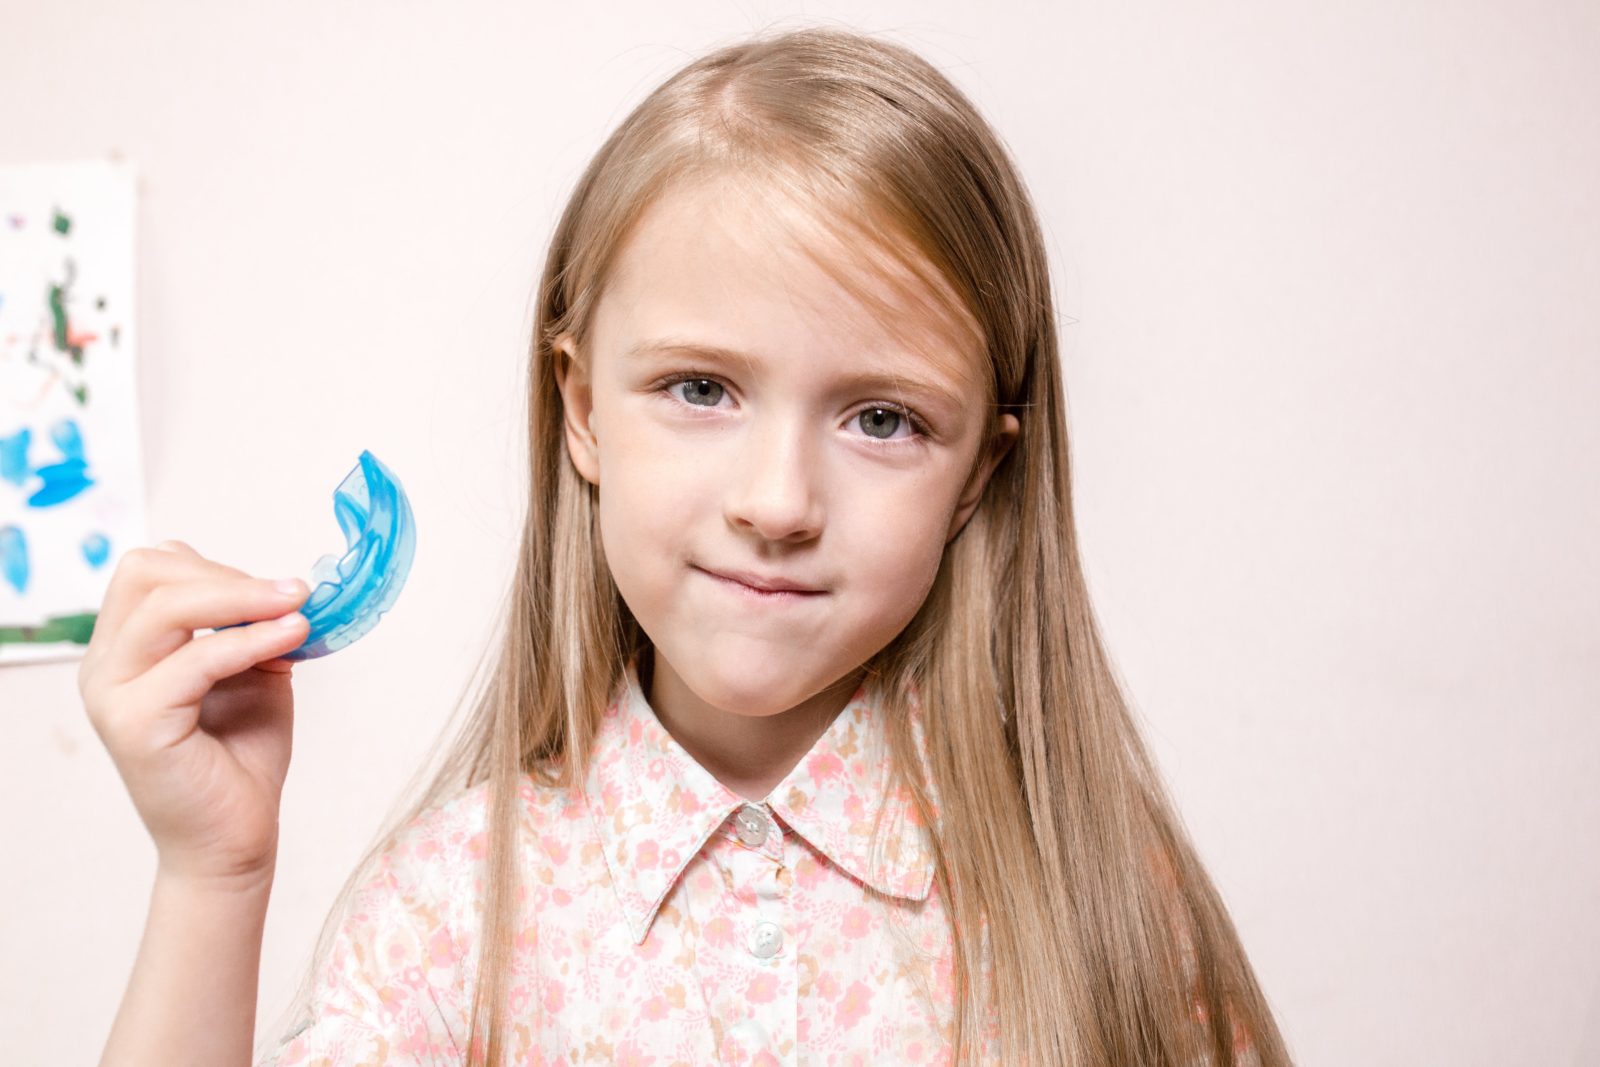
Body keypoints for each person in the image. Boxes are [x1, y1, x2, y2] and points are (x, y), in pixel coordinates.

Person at [83, 25, 1294, 1067]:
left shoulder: (1091, 895)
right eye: (702, 388)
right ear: (582, 408)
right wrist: (213, 877)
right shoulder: (454, 912)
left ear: (980, 470)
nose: (777, 500)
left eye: (882, 418)